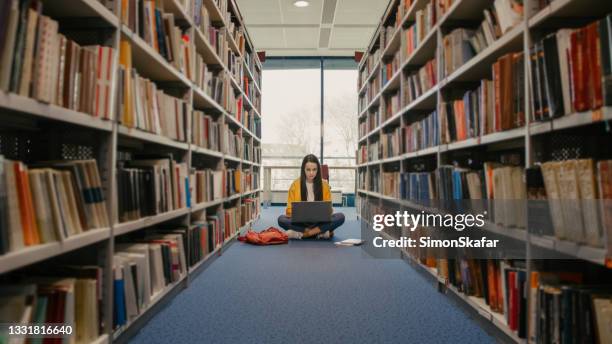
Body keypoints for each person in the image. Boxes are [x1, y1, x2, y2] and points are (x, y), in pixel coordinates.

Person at [277, 154, 345, 239]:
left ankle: (304, 234)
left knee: (340, 217)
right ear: (303, 170)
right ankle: (320, 233)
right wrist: (300, 214)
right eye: (308, 170)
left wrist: (325, 213)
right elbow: (289, 211)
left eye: (314, 169)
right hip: (301, 223)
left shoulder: (324, 185)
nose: (311, 173)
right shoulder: (295, 185)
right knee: (281, 219)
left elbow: (329, 210)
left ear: (318, 170)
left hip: (319, 222)